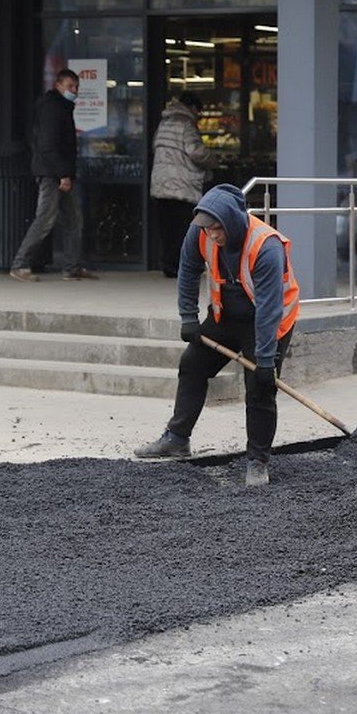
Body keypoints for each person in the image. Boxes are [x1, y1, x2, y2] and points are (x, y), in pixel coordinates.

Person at [134, 184, 300, 487]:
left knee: (260, 388)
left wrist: (265, 360)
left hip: (267, 322)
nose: (212, 235)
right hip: (225, 317)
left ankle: (258, 461)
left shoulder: (266, 246)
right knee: (193, 365)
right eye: (207, 229)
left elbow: (268, 309)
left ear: (232, 222)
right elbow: (187, 269)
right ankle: (177, 438)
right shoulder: (200, 232)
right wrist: (189, 318)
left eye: (216, 229)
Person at [9, 68, 96, 283]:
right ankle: (20, 264)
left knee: (74, 220)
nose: (74, 91)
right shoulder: (53, 108)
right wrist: (63, 174)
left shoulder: (61, 106)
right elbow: (49, 146)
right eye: (70, 87)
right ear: (58, 85)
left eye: (76, 87)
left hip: (58, 172)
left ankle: (71, 266)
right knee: (45, 219)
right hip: (52, 174)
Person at [151, 92, 214, 278]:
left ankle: (169, 266)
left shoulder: (164, 123)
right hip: (182, 185)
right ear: (193, 108)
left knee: (167, 229)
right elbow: (196, 151)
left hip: (161, 183)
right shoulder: (187, 125)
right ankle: (183, 267)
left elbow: (155, 146)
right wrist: (212, 160)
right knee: (183, 230)